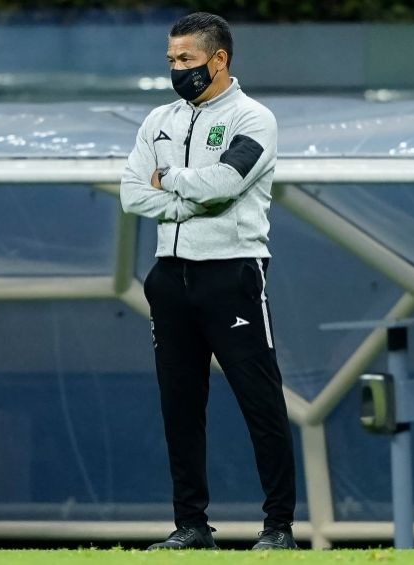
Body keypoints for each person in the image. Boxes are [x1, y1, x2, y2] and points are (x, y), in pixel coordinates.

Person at [119, 11, 297, 551]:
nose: (177, 69)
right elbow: (131, 193)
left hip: (233, 273)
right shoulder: (158, 120)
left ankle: (278, 528)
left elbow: (224, 184)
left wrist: (169, 181)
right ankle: (191, 526)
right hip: (168, 277)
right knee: (179, 406)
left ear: (218, 59)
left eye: (186, 60)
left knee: (259, 403)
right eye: (171, 60)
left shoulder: (254, 118)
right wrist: (189, 200)